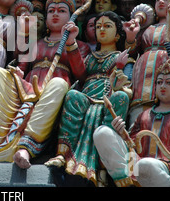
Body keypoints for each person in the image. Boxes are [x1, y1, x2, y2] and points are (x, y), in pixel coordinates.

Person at [0, 0, 90, 169]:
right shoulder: (37, 42)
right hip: (27, 87)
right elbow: (22, 64)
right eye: (51, 11)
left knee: (58, 84)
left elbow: (81, 74)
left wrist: (71, 42)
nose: (55, 14)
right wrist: (18, 70)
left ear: (71, 16)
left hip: (52, 90)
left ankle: (26, 146)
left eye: (61, 10)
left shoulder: (79, 45)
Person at [45, 11, 133, 186]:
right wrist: (71, 42)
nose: (101, 29)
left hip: (108, 97)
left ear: (117, 34)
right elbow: (80, 73)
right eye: (98, 26)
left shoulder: (123, 58)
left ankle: (101, 167)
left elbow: (128, 88)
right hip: (87, 95)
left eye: (107, 26)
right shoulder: (91, 57)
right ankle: (63, 154)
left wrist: (119, 78)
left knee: (121, 97)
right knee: (72, 95)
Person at [93, 51, 170, 187]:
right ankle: (125, 183)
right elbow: (132, 144)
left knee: (145, 165)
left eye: (169, 83)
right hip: (135, 166)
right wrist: (120, 132)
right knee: (102, 132)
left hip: (163, 167)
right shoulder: (145, 114)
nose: (163, 86)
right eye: (159, 82)